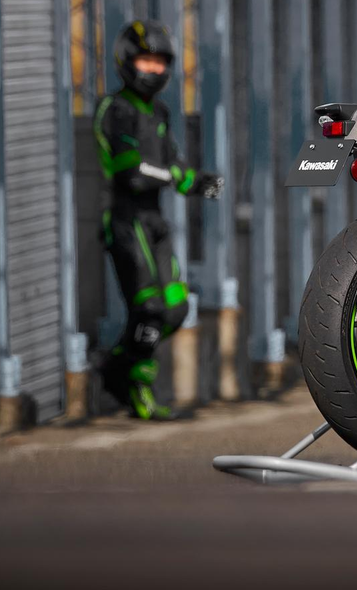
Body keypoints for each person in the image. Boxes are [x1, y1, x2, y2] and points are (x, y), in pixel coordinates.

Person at [94, 21, 223, 420]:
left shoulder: (161, 111)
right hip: (125, 221)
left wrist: (198, 181)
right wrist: (181, 178)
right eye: (145, 61)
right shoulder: (115, 109)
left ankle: (117, 365)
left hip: (154, 220)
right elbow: (132, 172)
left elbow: (172, 162)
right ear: (126, 61)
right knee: (148, 308)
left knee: (176, 307)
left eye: (160, 62)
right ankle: (134, 384)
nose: (153, 69)